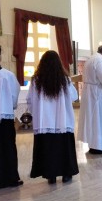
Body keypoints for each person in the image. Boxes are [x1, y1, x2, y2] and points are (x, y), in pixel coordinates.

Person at [27, 50, 79, 184]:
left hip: (45, 123)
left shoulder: (36, 80)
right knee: (64, 148)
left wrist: (38, 113)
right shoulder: (65, 80)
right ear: (59, 63)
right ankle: (67, 173)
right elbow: (74, 97)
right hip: (62, 121)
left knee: (48, 149)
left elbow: (30, 100)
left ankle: (51, 174)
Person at [0, 43, 23, 189]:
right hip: (4, 117)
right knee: (8, 147)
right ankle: (10, 178)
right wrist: (10, 106)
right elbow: (14, 95)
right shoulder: (7, 75)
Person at [78, 45, 102, 154]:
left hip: (91, 92)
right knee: (99, 120)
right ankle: (100, 147)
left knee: (93, 119)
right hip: (97, 94)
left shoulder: (91, 59)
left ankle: (94, 145)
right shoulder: (99, 61)